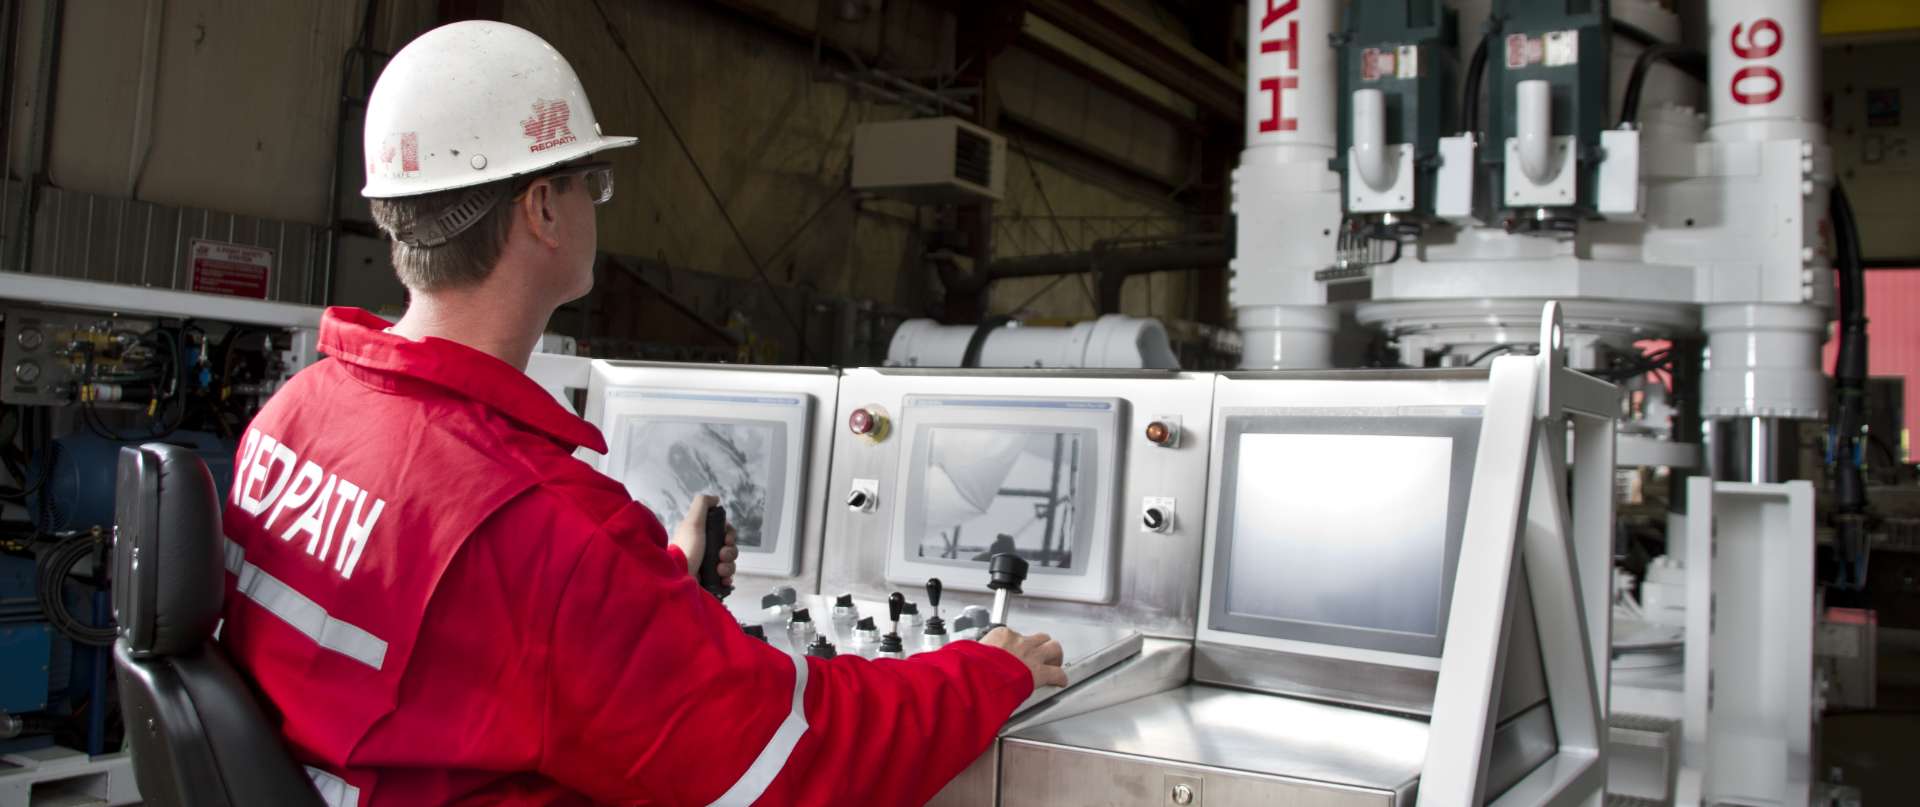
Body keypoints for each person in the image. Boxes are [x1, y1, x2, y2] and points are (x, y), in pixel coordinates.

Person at [218, 20, 1065, 807]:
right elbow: (788, 757)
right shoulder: (545, 530)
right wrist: (984, 672)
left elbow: (457, 642)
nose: (597, 202)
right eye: (593, 181)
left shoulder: (294, 415)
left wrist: (650, 582)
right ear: (543, 209)